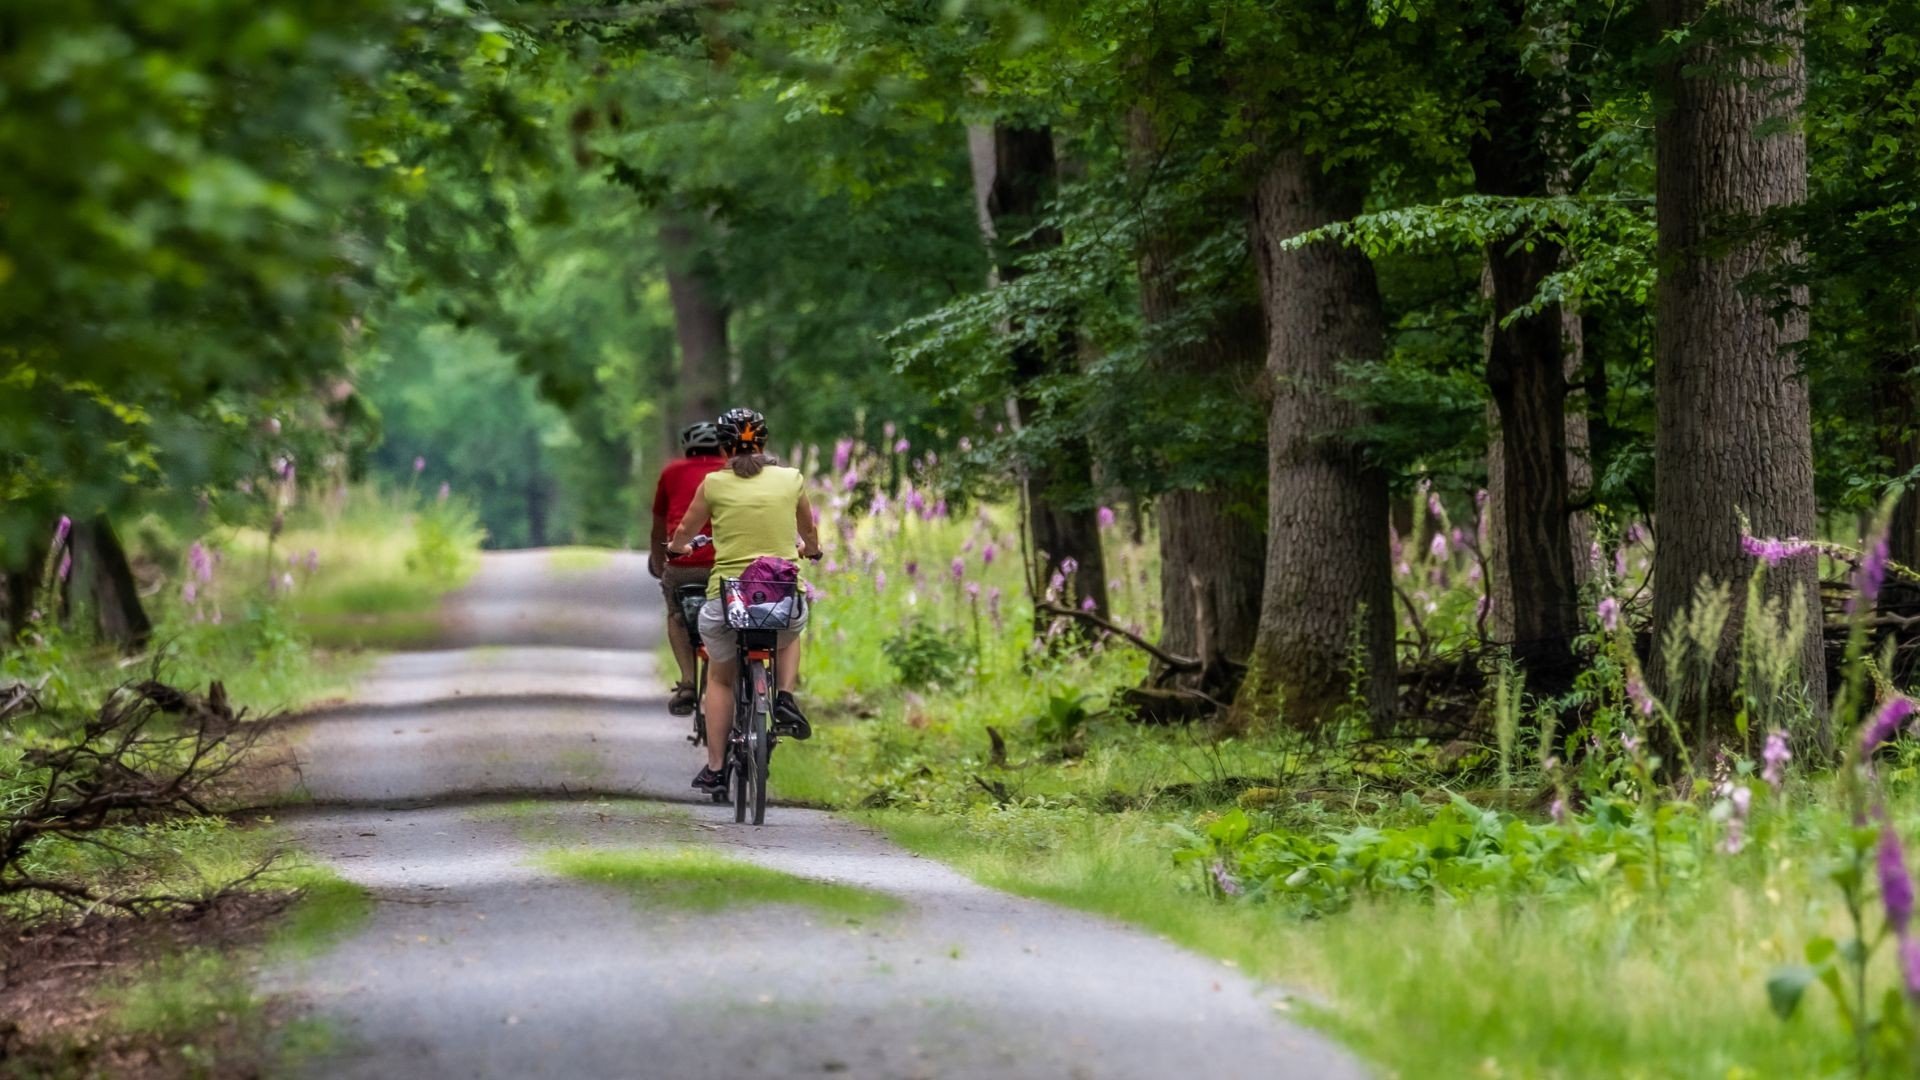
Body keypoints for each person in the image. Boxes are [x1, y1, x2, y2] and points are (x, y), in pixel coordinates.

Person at [666, 407, 822, 795]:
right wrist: (811, 549)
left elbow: (685, 531)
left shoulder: (714, 484)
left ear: (723, 447)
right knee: (790, 629)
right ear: (765, 442)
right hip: (780, 594)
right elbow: (809, 531)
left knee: (719, 678)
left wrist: (677, 547)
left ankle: (717, 767)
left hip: (729, 596)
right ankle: (784, 697)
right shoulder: (791, 479)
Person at [649, 421, 726, 716]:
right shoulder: (731, 472)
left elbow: (659, 528)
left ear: (687, 447)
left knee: (677, 614)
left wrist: (660, 564)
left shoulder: (671, 472)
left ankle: (688, 683)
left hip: (684, 566)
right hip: (726, 563)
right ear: (722, 446)